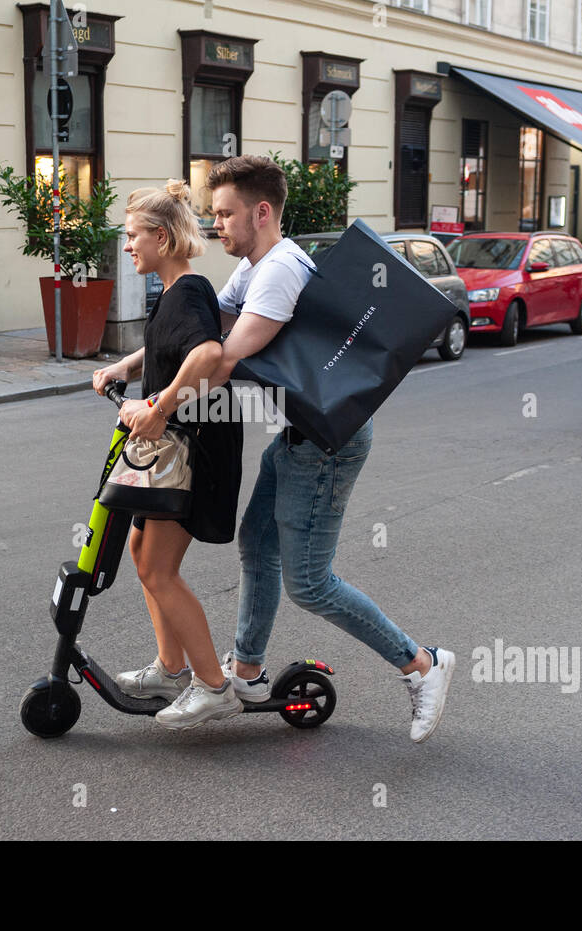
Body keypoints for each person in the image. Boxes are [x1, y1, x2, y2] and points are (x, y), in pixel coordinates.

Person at [207, 155, 454, 743]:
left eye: (224, 213)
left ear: (261, 212)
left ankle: (422, 664)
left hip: (325, 445)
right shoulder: (252, 266)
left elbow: (224, 356)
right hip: (299, 434)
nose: (216, 224)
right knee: (257, 545)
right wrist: (136, 360)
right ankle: (246, 671)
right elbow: (201, 327)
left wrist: (162, 400)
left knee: (311, 583)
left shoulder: (278, 271)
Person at [91, 181, 244, 730]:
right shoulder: (179, 290)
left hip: (191, 448)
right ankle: (171, 669)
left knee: (158, 569)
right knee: (140, 552)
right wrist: (123, 369)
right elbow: (166, 342)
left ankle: (213, 687)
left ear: (160, 236)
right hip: (180, 446)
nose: (127, 245)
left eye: (132, 236)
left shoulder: (185, 291)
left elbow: (206, 352)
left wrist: (156, 404)